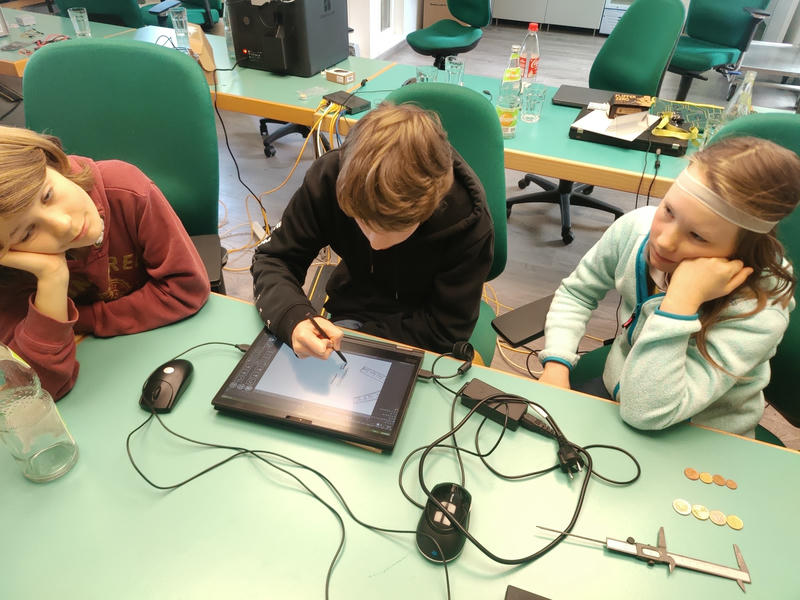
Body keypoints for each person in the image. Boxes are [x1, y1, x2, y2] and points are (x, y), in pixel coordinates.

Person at [538, 136, 800, 437]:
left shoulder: (757, 308)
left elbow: (646, 411)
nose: (663, 240)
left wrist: (680, 302)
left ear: (741, 250)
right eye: (668, 211)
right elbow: (577, 293)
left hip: (704, 434)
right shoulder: (635, 229)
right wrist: (556, 362)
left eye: (698, 236)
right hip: (618, 397)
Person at [251, 102, 494, 359]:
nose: (375, 243)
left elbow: (445, 330)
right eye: (362, 221)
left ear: (431, 209)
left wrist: (360, 341)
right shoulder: (329, 179)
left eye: (396, 229)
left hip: (422, 326)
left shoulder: (468, 222)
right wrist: (294, 318)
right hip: (353, 306)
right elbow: (274, 258)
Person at [0, 126, 210, 400]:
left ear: (54, 161)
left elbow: (186, 290)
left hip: (160, 347)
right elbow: (38, 389)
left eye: (48, 195)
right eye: (28, 233)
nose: (63, 225)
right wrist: (52, 279)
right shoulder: (13, 270)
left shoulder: (126, 190)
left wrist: (82, 320)